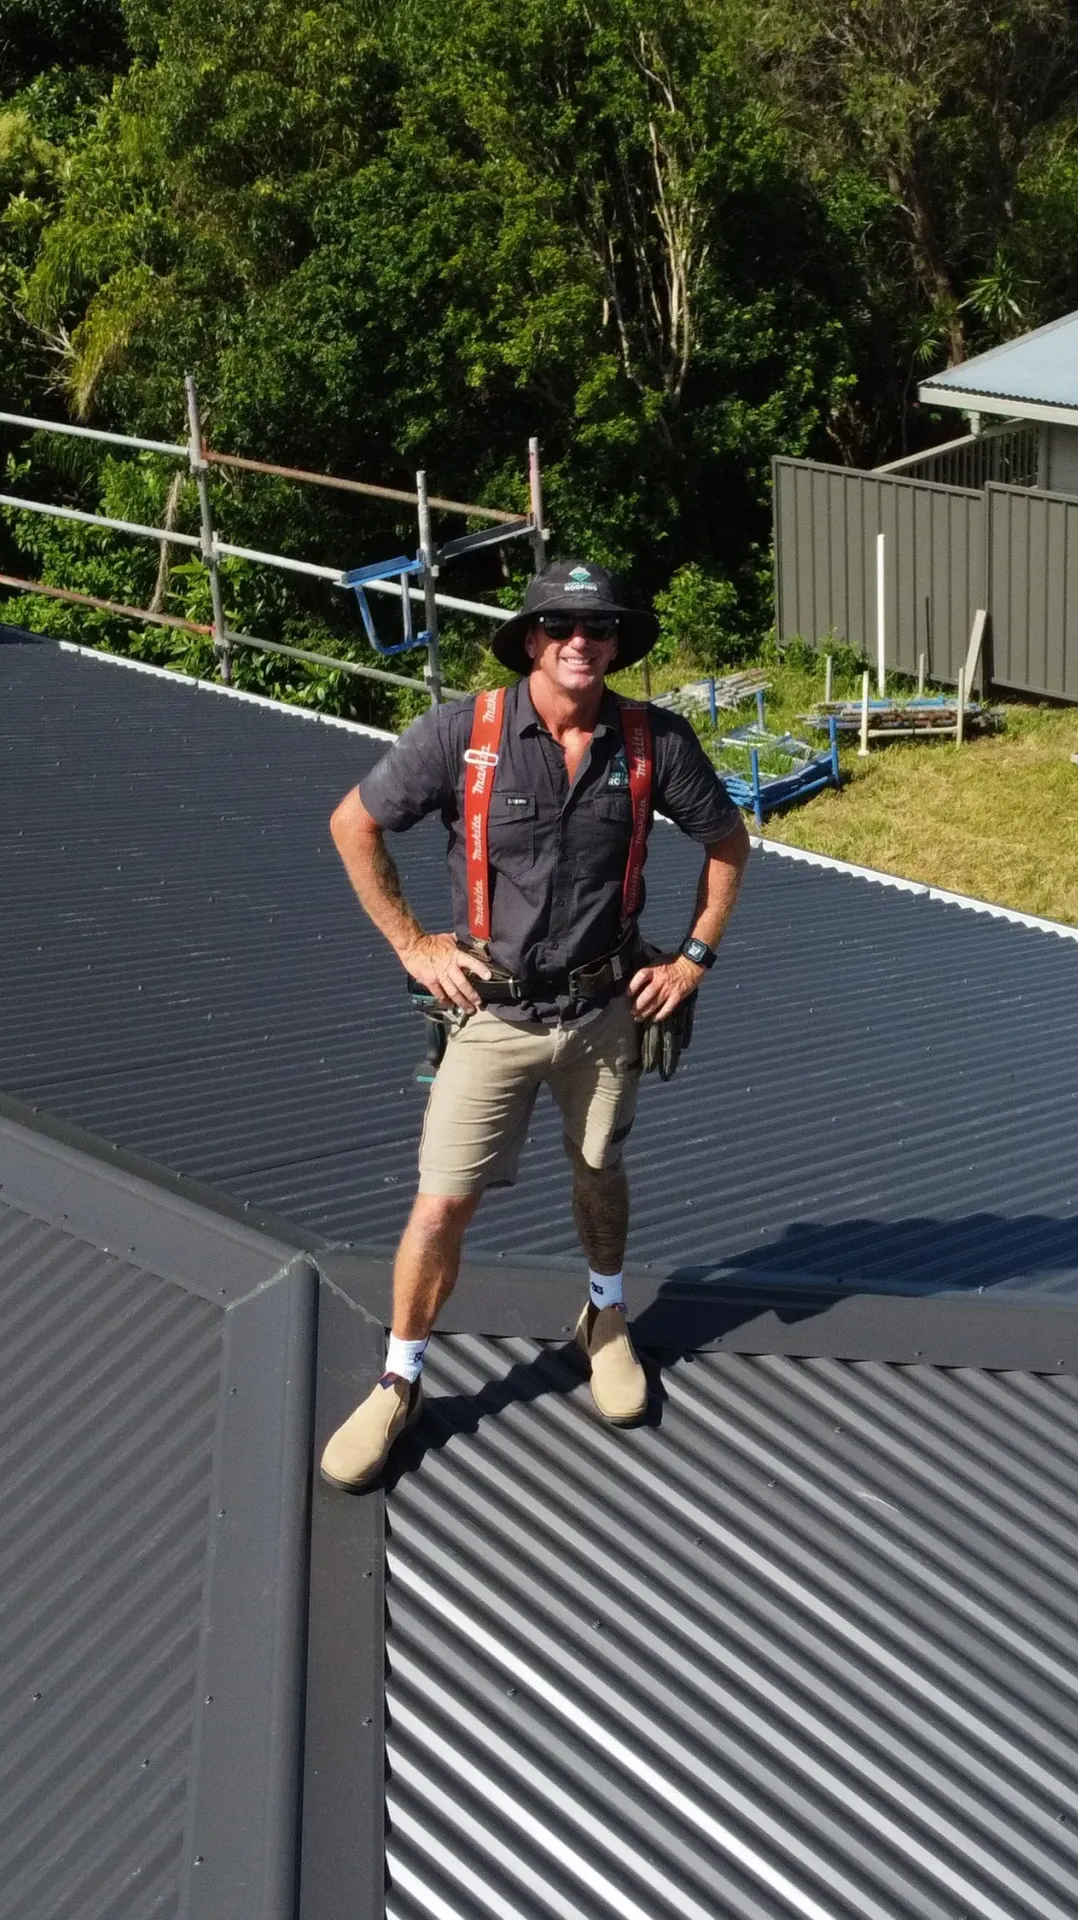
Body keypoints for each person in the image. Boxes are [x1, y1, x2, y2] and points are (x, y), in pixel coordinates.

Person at [319, 559, 751, 1490]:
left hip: (604, 1010)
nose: (580, 642)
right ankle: (401, 1379)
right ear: (530, 640)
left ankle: (604, 1315)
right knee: (441, 1201)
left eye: (598, 630)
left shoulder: (652, 743)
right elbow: (353, 824)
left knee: (599, 1167)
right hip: (494, 1013)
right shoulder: (461, 735)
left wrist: (693, 960)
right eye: (559, 626)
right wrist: (413, 945)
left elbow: (728, 843)